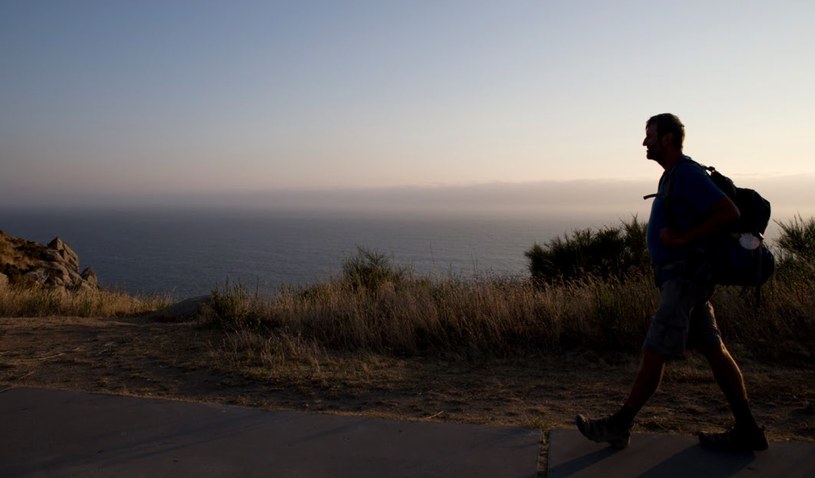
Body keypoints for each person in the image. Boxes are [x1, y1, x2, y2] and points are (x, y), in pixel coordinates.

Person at [575, 113, 768, 451]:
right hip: (686, 279)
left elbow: (728, 212)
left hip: (684, 280)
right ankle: (748, 428)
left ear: (667, 138)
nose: (644, 142)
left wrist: (682, 240)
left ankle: (620, 424)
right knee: (714, 351)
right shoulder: (674, 176)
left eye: (649, 135)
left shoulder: (687, 174)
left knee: (655, 349)